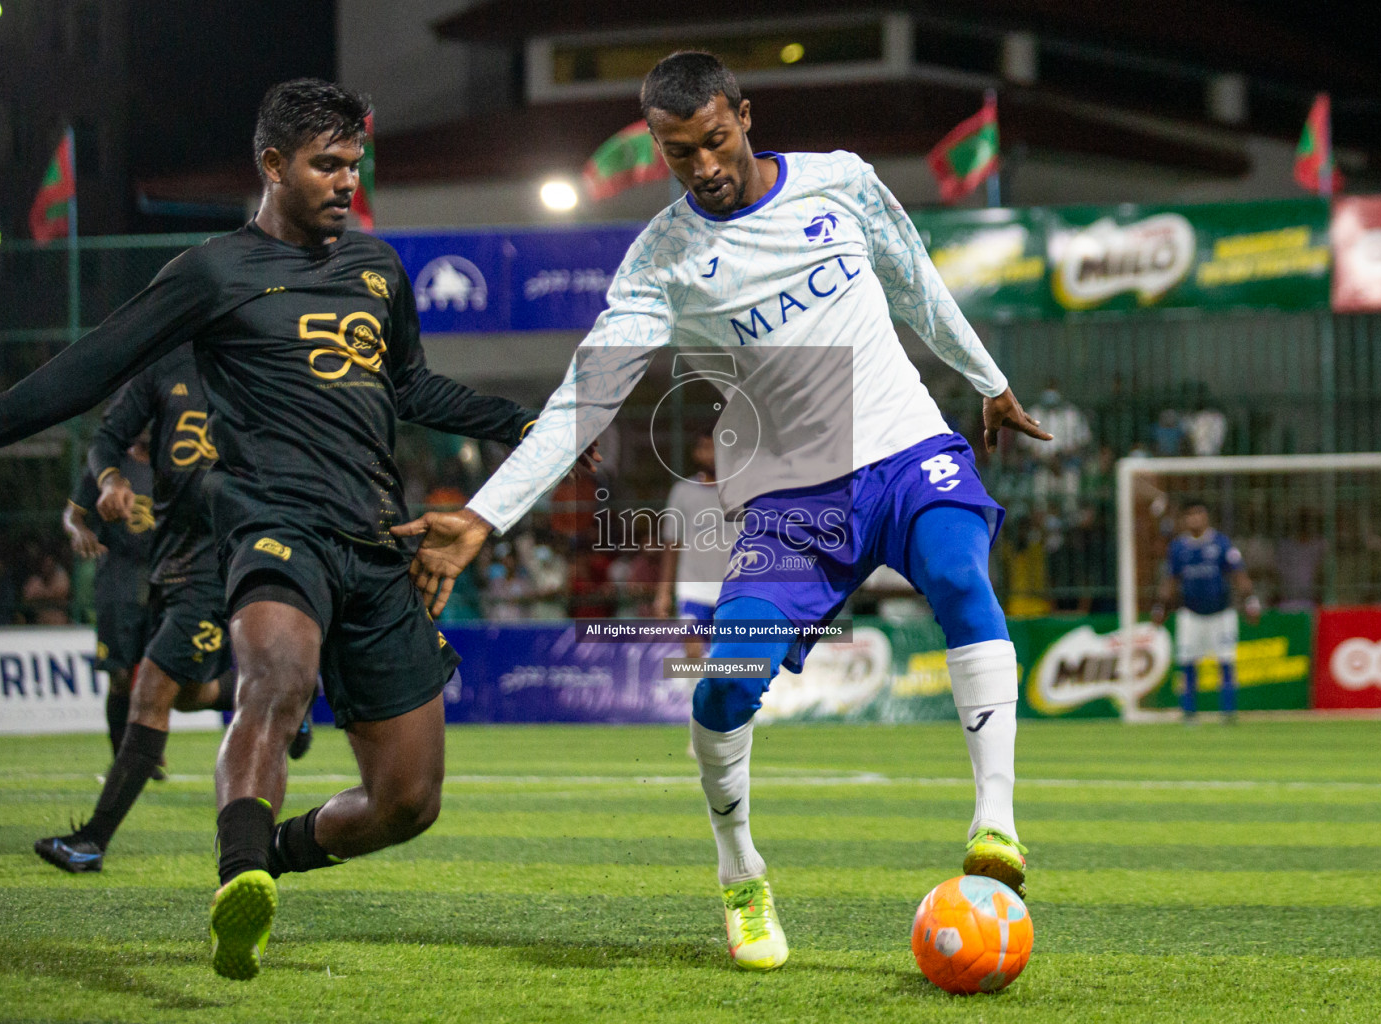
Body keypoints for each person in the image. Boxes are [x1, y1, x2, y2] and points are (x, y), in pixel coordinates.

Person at [391, 52, 1051, 971]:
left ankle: (996, 826)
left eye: (713, 140)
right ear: (658, 150)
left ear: (744, 116)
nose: (702, 166)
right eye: (677, 153)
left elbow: (915, 284)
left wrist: (988, 381)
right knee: (724, 684)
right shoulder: (661, 260)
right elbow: (585, 398)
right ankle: (740, 873)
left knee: (955, 574)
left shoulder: (841, 182)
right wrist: (486, 513)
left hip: (906, 452)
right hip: (791, 499)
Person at [0, 79, 577, 980]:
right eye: (325, 165)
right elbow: (80, 374)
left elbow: (409, 389)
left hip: (376, 542)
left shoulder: (379, 269)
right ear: (272, 165)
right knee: (276, 679)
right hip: (272, 526)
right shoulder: (212, 272)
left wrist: (528, 425)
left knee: (408, 800)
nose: (344, 182)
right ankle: (236, 880)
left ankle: (266, 859)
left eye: (352, 164)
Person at [35, 344, 314, 876]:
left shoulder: (263, 360)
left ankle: (91, 841)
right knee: (189, 695)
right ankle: (291, 698)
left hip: (220, 565)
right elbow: (105, 441)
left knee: (148, 693)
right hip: (168, 569)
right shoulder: (163, 368)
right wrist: (111, 480)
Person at [64, 438, 154, 762]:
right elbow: (72, 515)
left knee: (158, 673)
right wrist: (79, 531)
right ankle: (123, 759)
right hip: (118, 575)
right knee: (119, 676)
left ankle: (148, 746)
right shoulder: (108, 467)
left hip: (164, 575)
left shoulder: (176, 460)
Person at [1153, 501, 1260, 721]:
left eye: (1198, 514)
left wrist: (1250, 600)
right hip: (1190, 613)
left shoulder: (1221, 543)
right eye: (1190, 515)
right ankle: (1189, 713)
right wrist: (1161, 605)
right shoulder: (1178, 547)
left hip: (1221, 612)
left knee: (1226, 661)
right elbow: (1171, 579)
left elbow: (1238, 574)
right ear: (1184, 519)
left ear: (1206, 517)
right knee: (1187, 662)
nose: (1194, 519)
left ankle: (1228, 713)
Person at [652, 434, 735, 657]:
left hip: (731, 590)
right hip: (693, 589)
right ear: (695, 453)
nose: (711, 455)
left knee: (731, 658)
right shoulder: (682, 491)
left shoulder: (740, 491)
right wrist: (663, 593)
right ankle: (693, 693)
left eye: (716, 448)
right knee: (693, 654)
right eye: (705, 448)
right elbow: (672, 544)